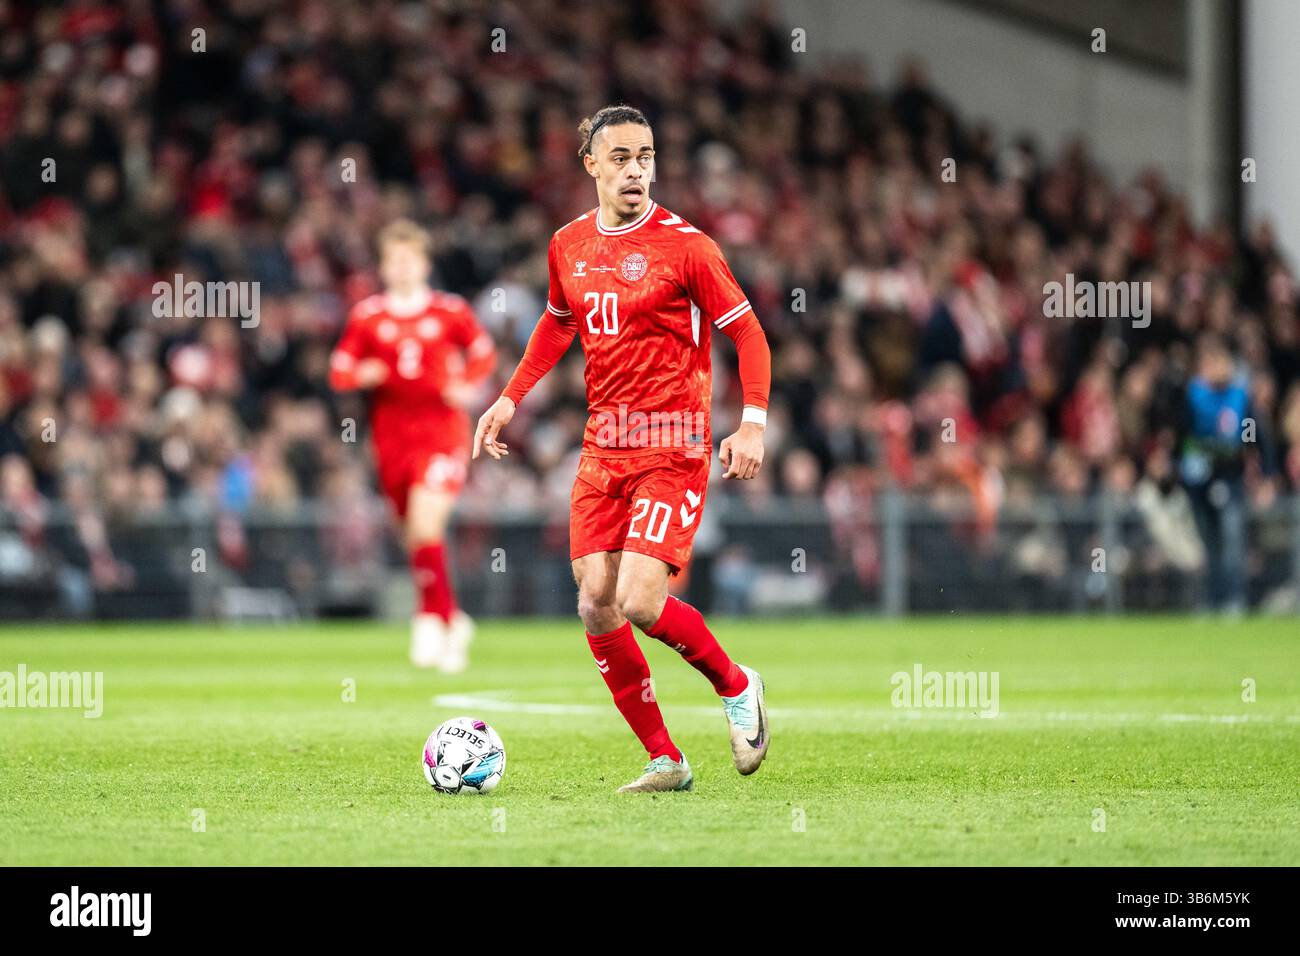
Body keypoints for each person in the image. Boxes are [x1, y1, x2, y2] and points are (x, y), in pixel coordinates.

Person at [473, 105, 772, 792]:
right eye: (622, 158)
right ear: (592, 165)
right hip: (602, 447)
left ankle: (737, 684)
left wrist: (752, 422)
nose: (637, 170)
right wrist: (509, 398)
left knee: (640, 600)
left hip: (672, 443)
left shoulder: (688, 247)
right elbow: (556, 325)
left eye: (646, 156)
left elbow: (749, 334)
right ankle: (665, 759)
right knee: (595, 603)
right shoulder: (567, 244)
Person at [330, 220, 496, 670]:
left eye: (409, 260)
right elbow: (339, 369)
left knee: (426, 524)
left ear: (423, 264)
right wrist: (363, 375)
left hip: (442, 432)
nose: (401, 268)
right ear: (384, 267)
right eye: (393, 260)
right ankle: (446, 616)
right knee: (413, 535)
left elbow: (483, 353)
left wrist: (467, 384)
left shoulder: (450, 311)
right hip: (391, 438)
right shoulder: (368, 316)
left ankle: (432, 618)